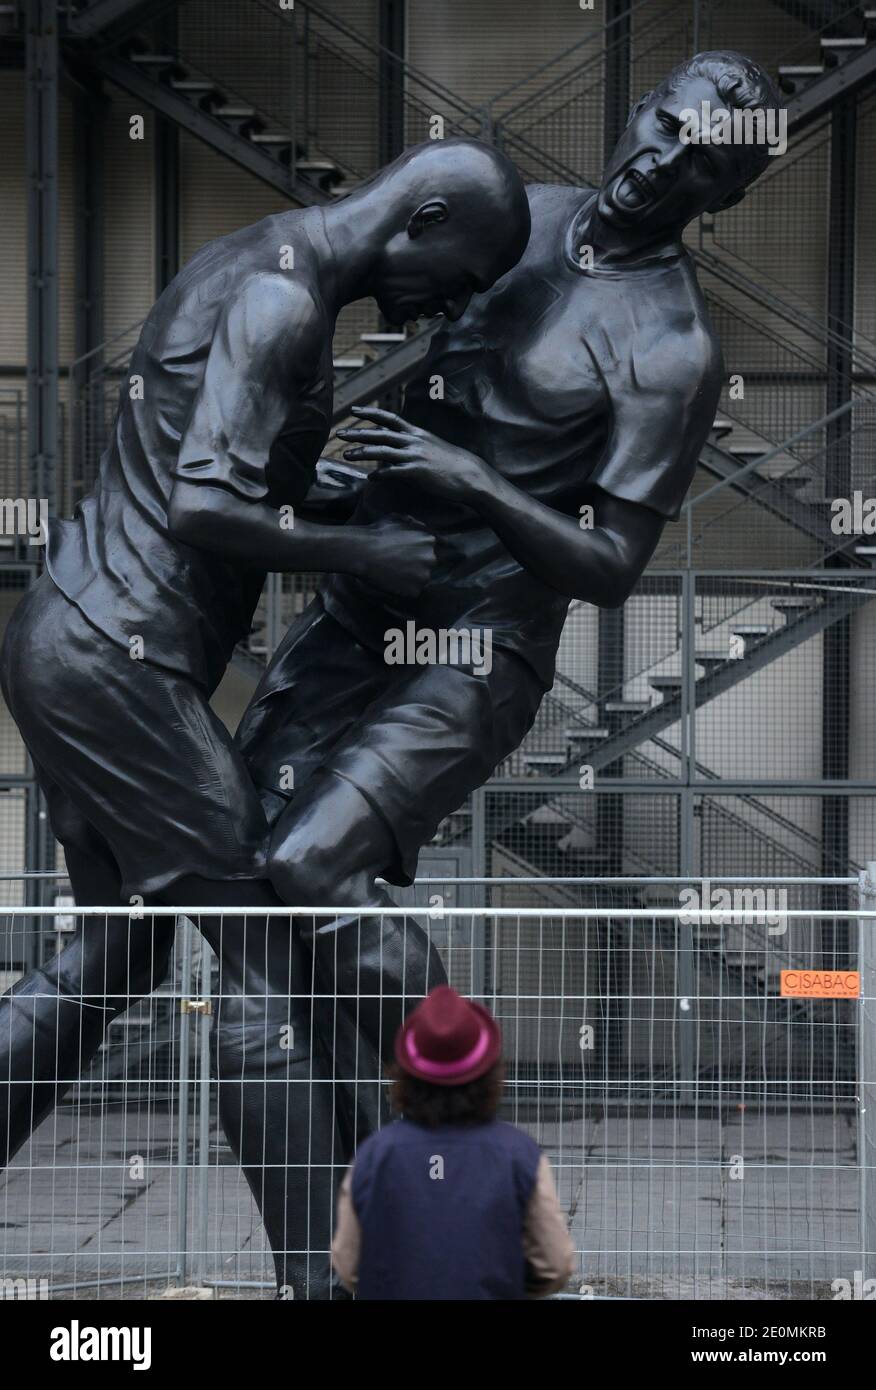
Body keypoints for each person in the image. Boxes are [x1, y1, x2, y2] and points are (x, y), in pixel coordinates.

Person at [0, 137, 532, 1298]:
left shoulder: (274, 270)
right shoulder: (285, 299)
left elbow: (235, 476)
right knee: (261, 954)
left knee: (116, 948)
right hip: (111, 662)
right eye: (466, 271)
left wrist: (352, 491)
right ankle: (321, 1281)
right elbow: (202, 504)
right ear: (422, 219)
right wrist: (366, 548)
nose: (457, 304)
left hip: (78, 648)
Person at [236, 51, 780, 1115]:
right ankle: (337, 1196)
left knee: (307, 864)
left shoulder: (673, 349)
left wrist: (471, 480)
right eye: (665, 126)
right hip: (364, 593)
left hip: (480, 648)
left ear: (728, 192)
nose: (662, 163)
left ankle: (466, 1140)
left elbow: (613, 570)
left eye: (702, 163)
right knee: (245, 853)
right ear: (637, 110)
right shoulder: (519, 215)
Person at [330, 985, 574, 1300]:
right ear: (488, 1071)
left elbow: (348, 1265)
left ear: (407, 1072)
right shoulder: (520, 1154)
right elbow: (555, 1265)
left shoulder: (375, 1154)